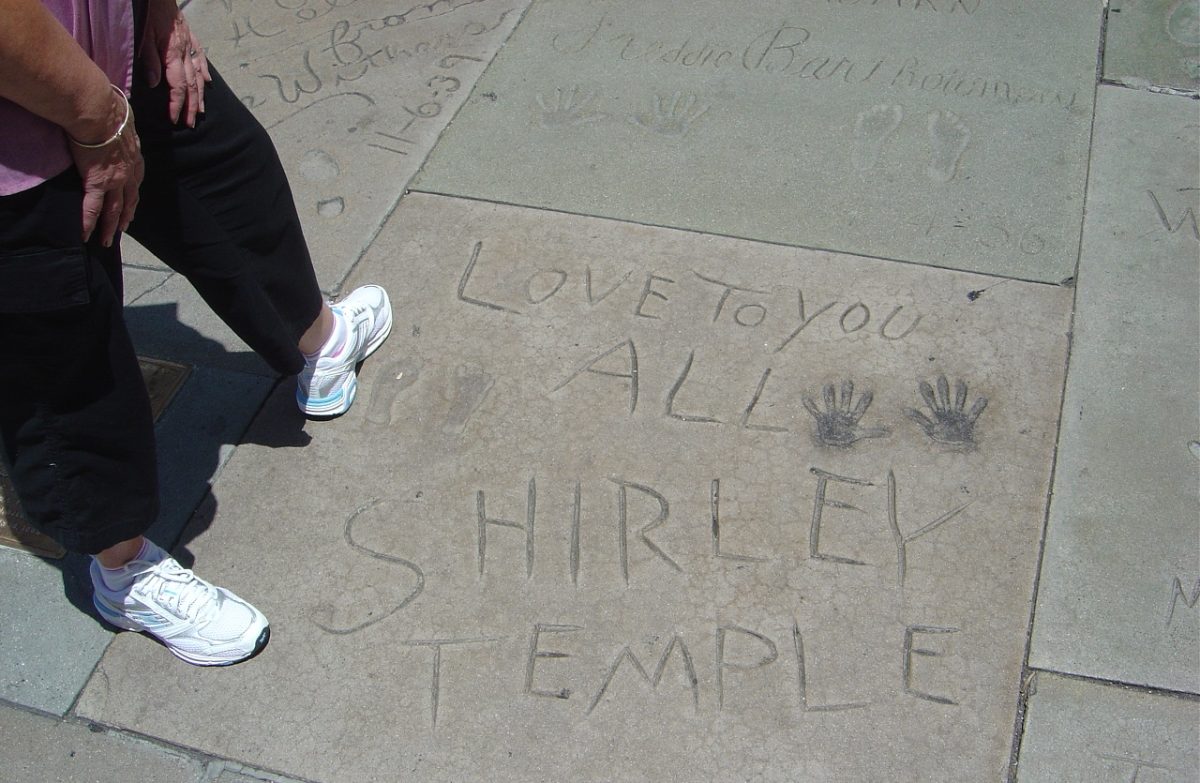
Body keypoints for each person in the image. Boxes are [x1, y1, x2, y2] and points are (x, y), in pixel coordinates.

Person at [0, 0, 391, 665]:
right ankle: (121, 571)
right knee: (64, 353)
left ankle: (320, 344)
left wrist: (156, 9)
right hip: (19, 117)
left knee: (224, 165)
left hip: (113, 41)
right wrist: (96, 120)